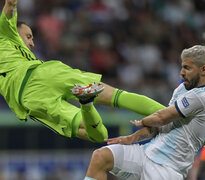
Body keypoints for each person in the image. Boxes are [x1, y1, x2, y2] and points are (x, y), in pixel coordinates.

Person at [0, 0, 165, 142]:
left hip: (33, 96)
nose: (32, 44)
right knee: (109, 115)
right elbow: (11, 3)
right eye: (28, 37)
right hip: (46, 74)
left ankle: (87, 104)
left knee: (100, 129)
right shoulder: (6, 34)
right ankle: (173, 112)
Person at [84, 45, 205, 180]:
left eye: (187, 68)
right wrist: (132, 138)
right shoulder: (182, 89)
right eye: (182, 67)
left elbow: (161, 118)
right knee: (101, 157)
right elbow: (161, 126)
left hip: (167, 169)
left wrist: (142, 121)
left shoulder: (202, 96)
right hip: (146, 153)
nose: (181, 72)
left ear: (203, 70)